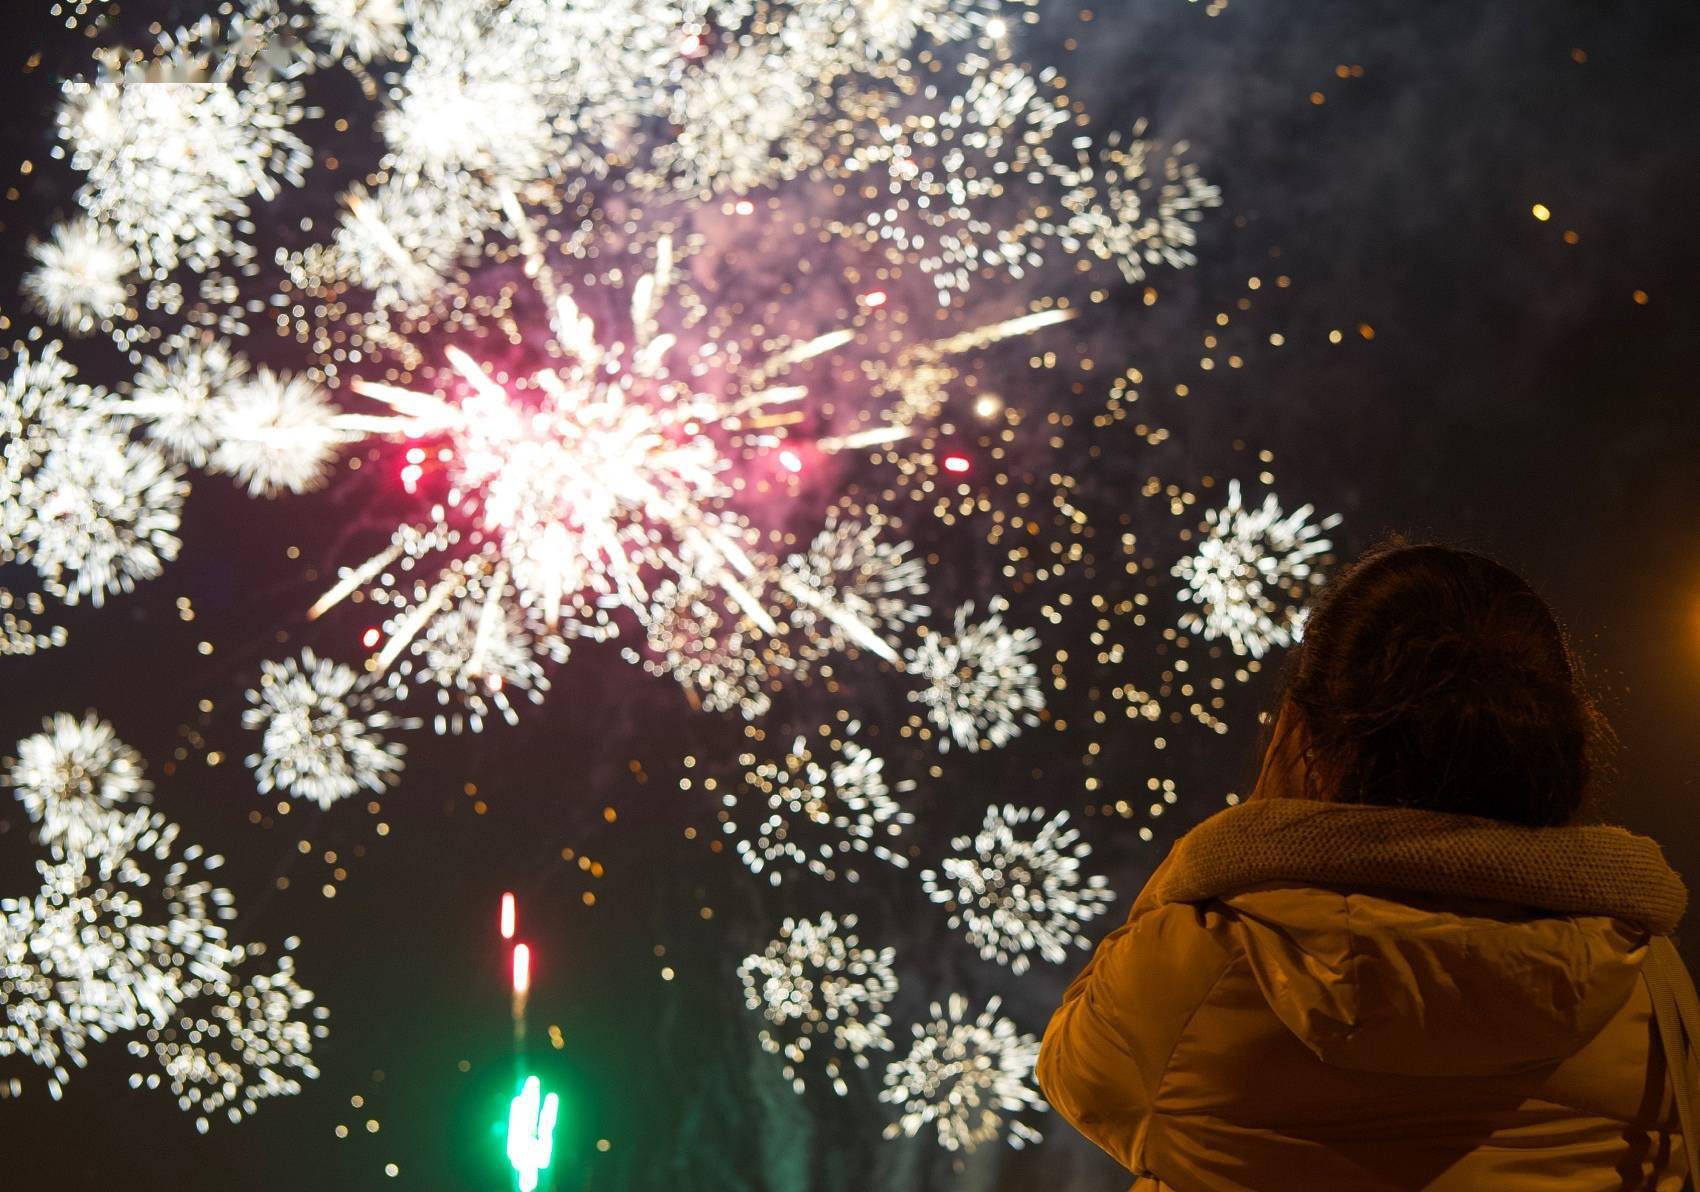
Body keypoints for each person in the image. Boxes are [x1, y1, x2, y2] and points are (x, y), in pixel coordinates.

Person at [1038, 542, 1693, 1190]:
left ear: (1305, 735)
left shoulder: (1195, 967)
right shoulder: (1650, 991)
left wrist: (1213, 860)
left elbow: (1071, 1068)